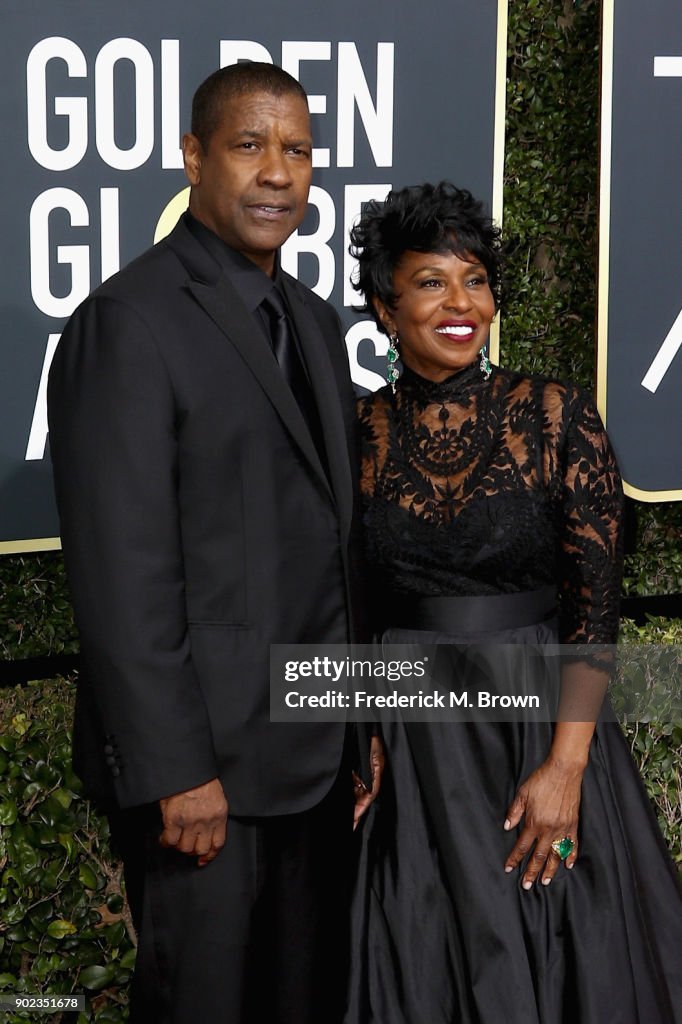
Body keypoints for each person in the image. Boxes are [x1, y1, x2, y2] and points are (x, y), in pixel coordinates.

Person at [47, 62, 381, 1024]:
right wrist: (174, 772)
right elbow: (122, 575)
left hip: (318, 771)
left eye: (299, 150)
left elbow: (332, 550)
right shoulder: (128, 321)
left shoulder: (315, 322)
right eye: (250, 145)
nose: (279, 172)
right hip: (206, 783)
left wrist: (362, 727)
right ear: (192, 156)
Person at [345, 181, 682, 1023]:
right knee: (426, 955)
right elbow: (348, 599)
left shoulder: (557, 413)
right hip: (418, 750)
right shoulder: (357, 431)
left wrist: (568, 768)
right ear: (387, 309)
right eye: (431, 282)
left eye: (477, 280)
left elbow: (594, 607)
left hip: (541, 729)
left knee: (562, 942)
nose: (462, 304)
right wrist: (364, 733)